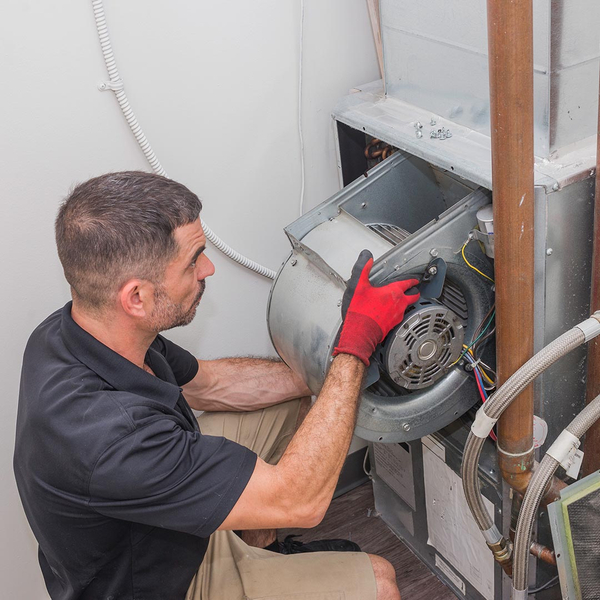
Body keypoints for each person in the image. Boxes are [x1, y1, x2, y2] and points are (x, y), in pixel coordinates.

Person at [14, 171, 420, 600]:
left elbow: (211, 384)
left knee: (287, 400)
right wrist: (356, 346)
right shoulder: (110, 438)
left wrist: (325, 362)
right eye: (194, 260)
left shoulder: (72, 334)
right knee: (380, 582)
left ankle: (263, 553)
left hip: (156, 525)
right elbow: (303, 502)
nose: (208, 268)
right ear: (136, 298)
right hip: (160, 585)